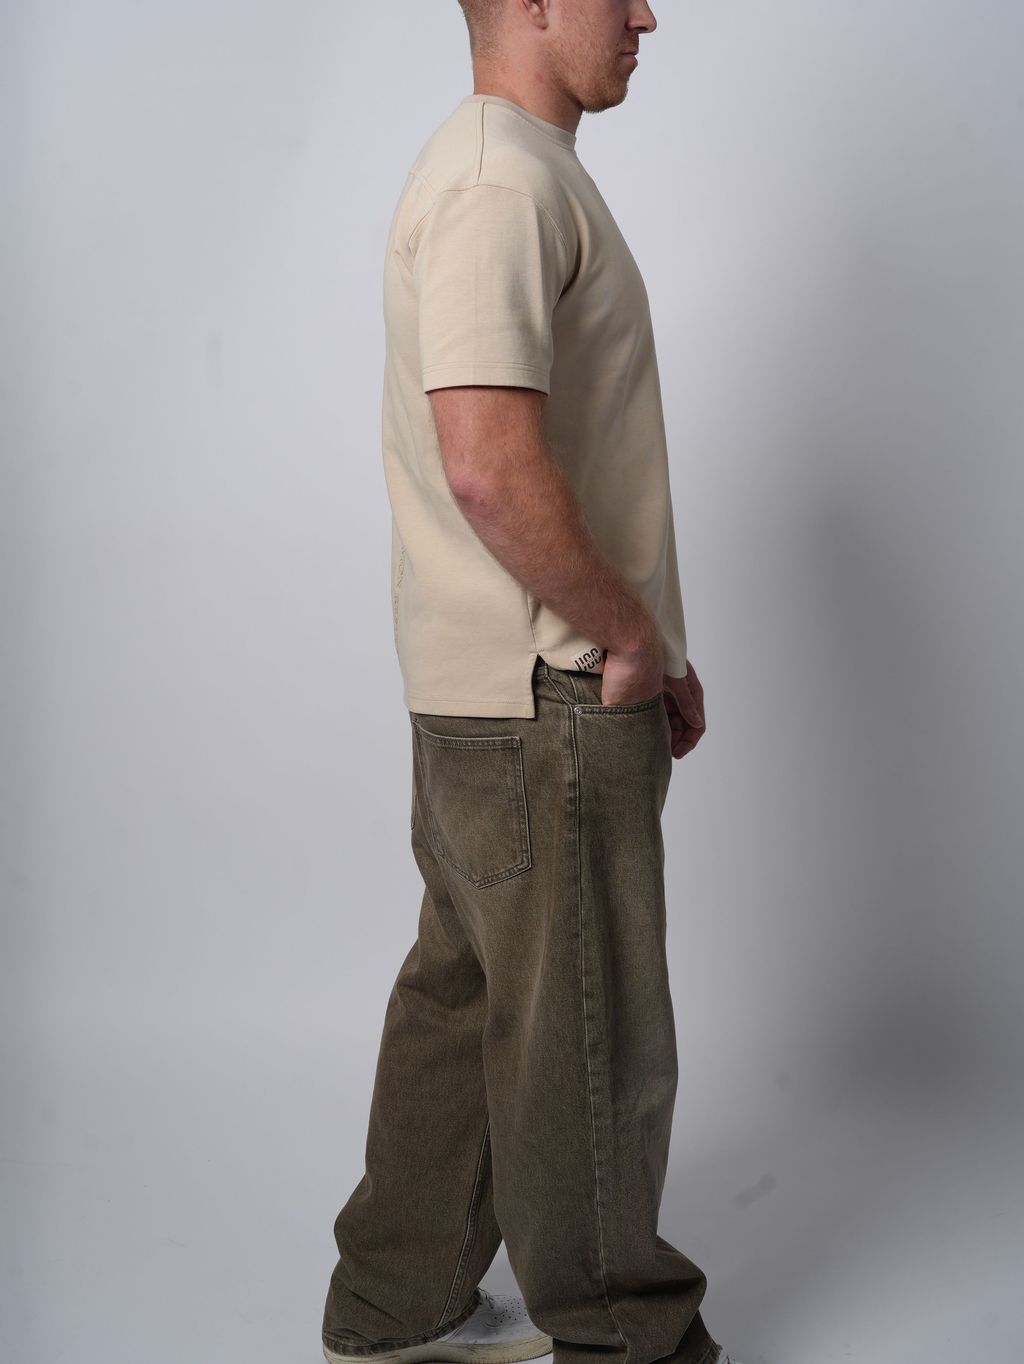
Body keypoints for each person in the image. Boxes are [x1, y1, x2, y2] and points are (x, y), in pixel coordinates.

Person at [322, 3, 743, 1364]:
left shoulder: (509, 171)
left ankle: (397, 1303)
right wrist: (628, 639)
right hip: (549, 695)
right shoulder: (500, 181)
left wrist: (652, 646)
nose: (646, 13)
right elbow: (491, 469)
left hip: (499, 695)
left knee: (468, 1003)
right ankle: (626, 1338)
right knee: (588, 1036)